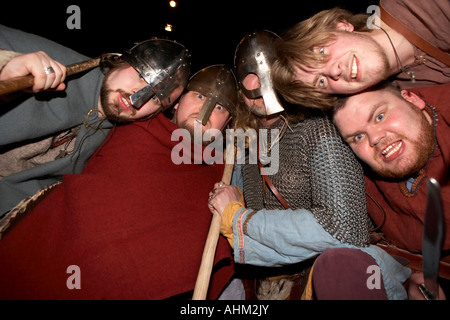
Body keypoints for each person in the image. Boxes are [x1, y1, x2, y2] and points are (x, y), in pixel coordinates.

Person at [0, 64, 242, 300]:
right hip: (49, 251)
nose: (206, 111)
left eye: (219, 107)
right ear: (176, 101)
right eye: (199, 95)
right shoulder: (130, 123)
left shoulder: (220, 174)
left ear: (227, 123)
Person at [208, 30, 410, 300]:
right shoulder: (246, 144)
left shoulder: (319, 128)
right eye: (249, 78)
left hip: (323, 280)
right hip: (261, 285)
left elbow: (344, 229)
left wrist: (240, 219)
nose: (258, 88)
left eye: (267, 75)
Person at [0, 24, 190, 217]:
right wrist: (5, 64)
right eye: (141, 75)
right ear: (120, 61)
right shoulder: (56, 63)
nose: (137, 97)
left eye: (156, 98)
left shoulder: (112, 137)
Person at [331, 81, 450, 299]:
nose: (375, 138)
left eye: (379, 116)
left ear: (411, 98)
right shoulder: (365, 182)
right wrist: (414, 276)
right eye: (358, 137)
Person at [272, 0, 450, 109]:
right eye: (321, 81)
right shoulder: (410, 95)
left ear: (341, 25)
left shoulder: (417, 4)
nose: (333, 72)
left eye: (321, 52)